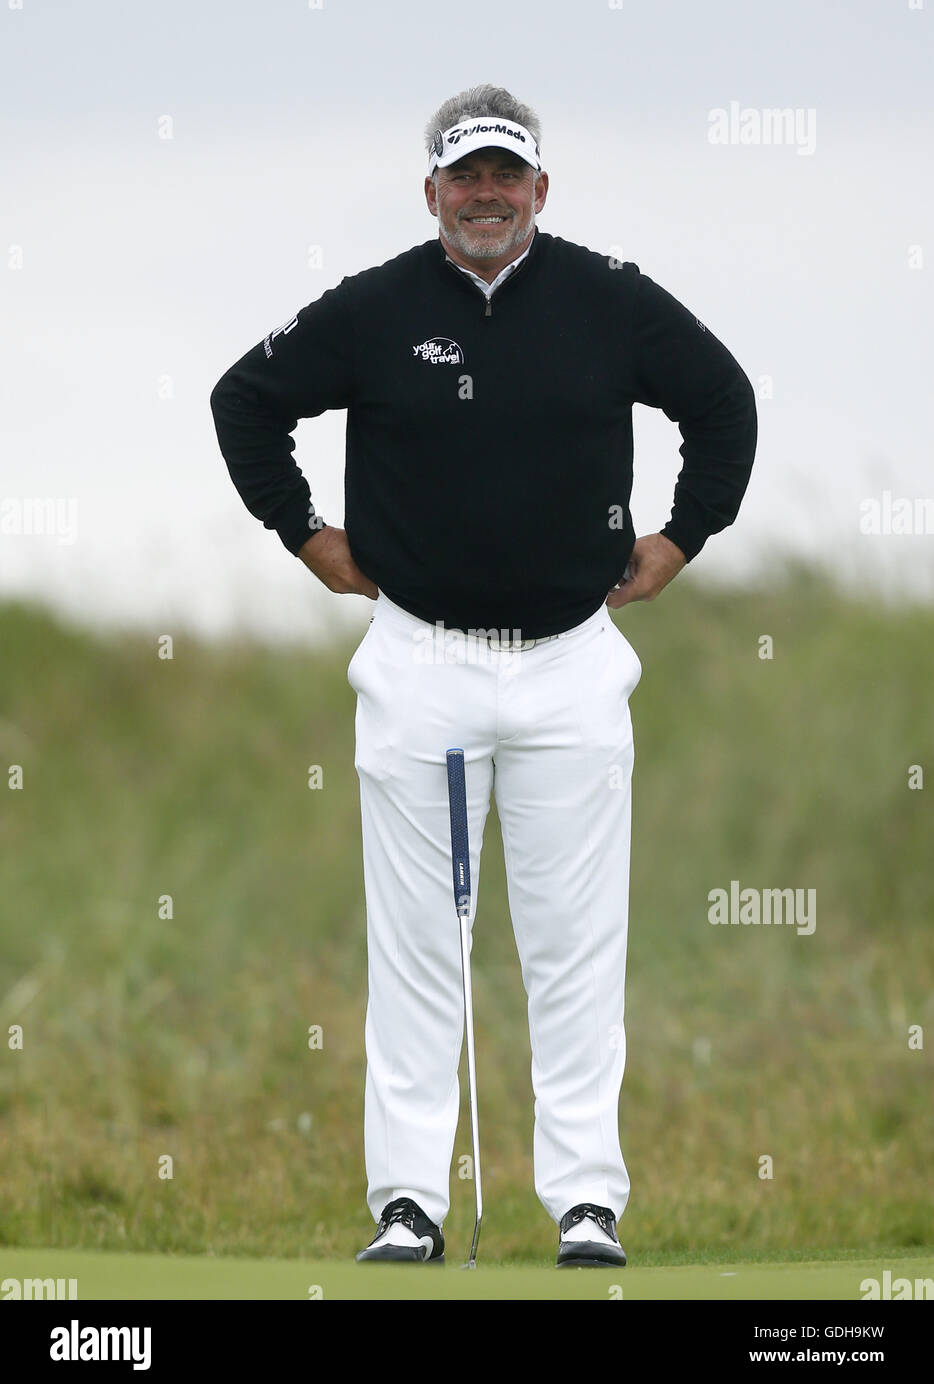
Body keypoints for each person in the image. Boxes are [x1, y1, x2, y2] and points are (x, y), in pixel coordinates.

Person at [210, 84, 757, 1268]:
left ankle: (584, 1202)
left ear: (540, 190)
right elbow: (244, 401)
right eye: (465, 176)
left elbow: (722, 402)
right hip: (421, 663)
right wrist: (307, 535)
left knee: (573, 948)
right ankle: (408, 1201)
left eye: (506, 174)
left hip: (568, 666)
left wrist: (679, 539)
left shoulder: (609, 300)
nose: (485, 195)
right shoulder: (374, 307)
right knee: (417, 952)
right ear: (432, 192)